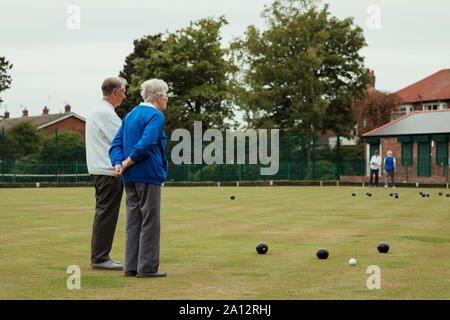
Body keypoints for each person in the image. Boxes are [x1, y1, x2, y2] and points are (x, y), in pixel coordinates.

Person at [109, 79, 169, 278]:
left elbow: (115, 144)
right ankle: (147, 268)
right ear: (159, 97)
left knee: (133, 221)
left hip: (129, 177)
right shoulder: (155, 115)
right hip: (148, 173)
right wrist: (126, 162)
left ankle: (132, 267)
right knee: (150, 221)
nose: (167, 100)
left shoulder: (129, 115)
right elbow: (147, 143)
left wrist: (118, 163)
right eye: (166, 96)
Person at [86, 77, 127, 270]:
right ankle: (100, 258)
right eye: (124, 92)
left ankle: (100, 256)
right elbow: (122, 140)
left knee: (104, 212)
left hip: (100, 168)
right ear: (115, 92)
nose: (125, 96)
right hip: (108, 170)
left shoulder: (98, 110)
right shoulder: (106, 114)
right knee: (107, 213)